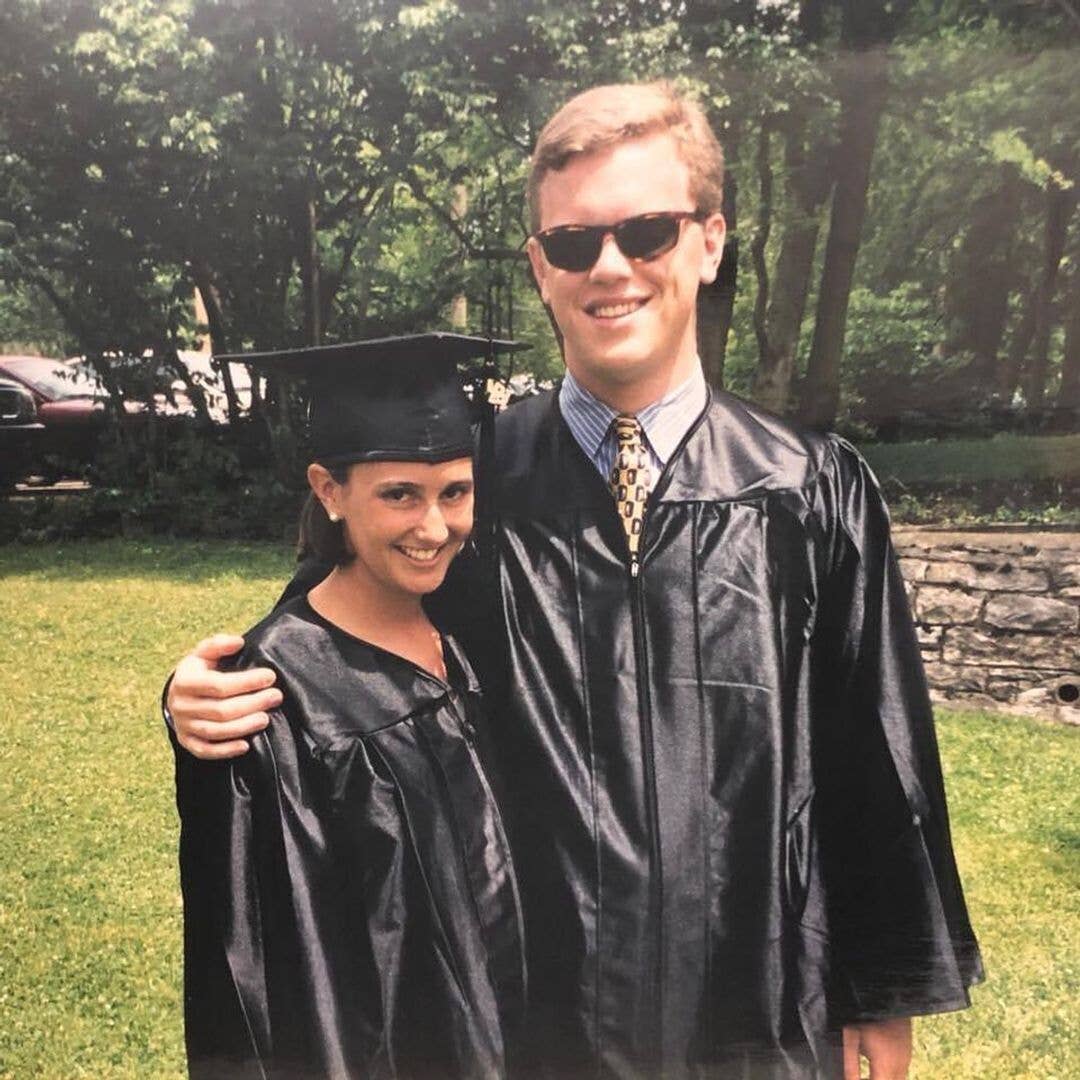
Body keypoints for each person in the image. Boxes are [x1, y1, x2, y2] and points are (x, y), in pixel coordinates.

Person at [168, 83, 982, 1079]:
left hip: (758, 1001)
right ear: (539, 268)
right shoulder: (473, 482)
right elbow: (341, 632)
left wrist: (880, 993)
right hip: (533, 1019)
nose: (610, 268)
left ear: (710, 242)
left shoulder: (807, 487)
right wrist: (213, 690)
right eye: (573, 244)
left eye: (646, 232)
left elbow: (875, 749)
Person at [172, 334, 526, 1079]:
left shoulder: (472, 624)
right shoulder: (272, 695)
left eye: (454, 492)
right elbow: (254, 979)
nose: (434, 529)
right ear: (329, 490)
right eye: (399, 494)